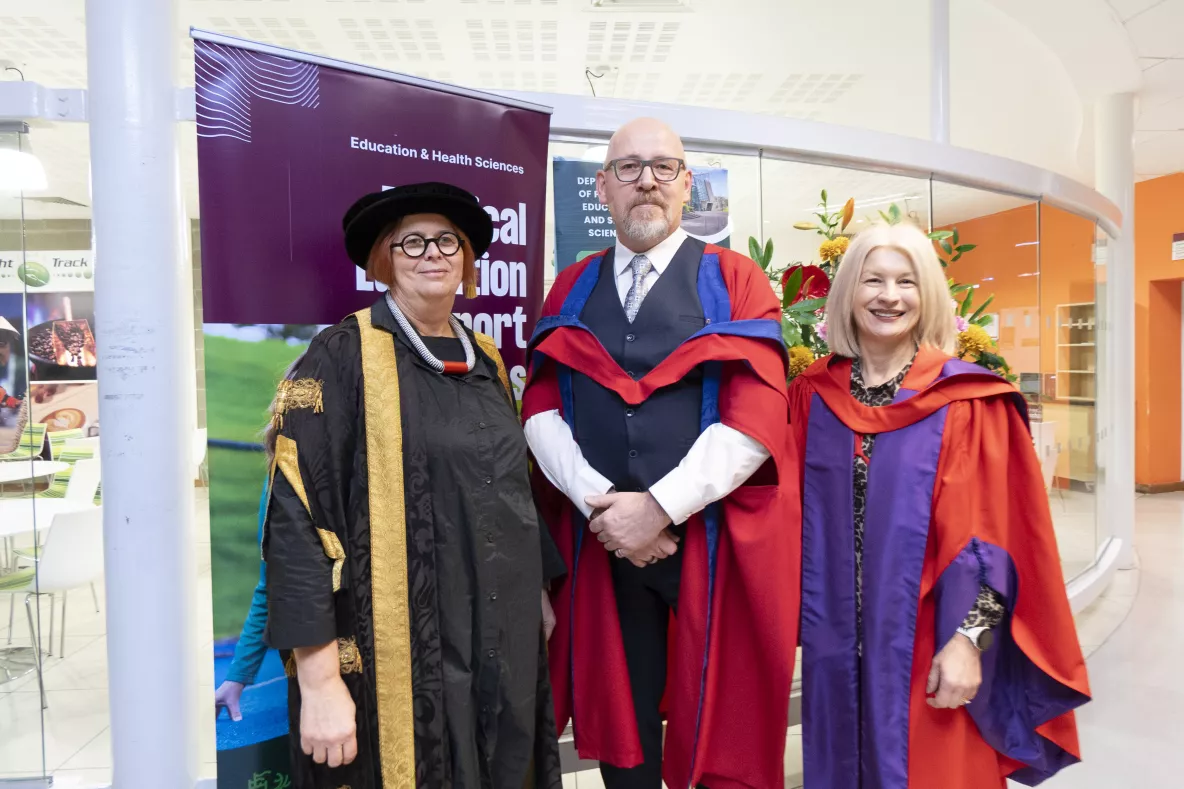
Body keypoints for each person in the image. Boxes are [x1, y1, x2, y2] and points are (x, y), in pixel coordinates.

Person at [522, 118, 798, 789]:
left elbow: (754, 418)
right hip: (605, 545)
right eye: (628, 168)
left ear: (686, 186)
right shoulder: (572, 288)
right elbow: (542, 408)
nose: (647, 179)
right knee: (624, 726)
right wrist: (606, 510)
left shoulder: (734, 280)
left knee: (718, 712)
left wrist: (660, 508)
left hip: (706, 541)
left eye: (663, 167)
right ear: (603, 188)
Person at [263, 181, 565, 788]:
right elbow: (294, 514)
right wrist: (320, 682)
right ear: (384, 259)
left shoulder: (485, 357)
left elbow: (509, 482)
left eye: (447, 241)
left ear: (466, 259)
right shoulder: (341, 355)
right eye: (413, 242)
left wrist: (536, 589)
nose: (433, 253)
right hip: (395, 649)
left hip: (496, 636)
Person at [788, 222, 1090, 788]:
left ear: (928, 296)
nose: (889, 296)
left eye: (907, 282)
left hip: (928, 644)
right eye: (872, 280)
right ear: (848, 292)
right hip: (834, 650)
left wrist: (969, 644)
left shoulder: (970, 401)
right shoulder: (812, 396)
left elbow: (999, 544)